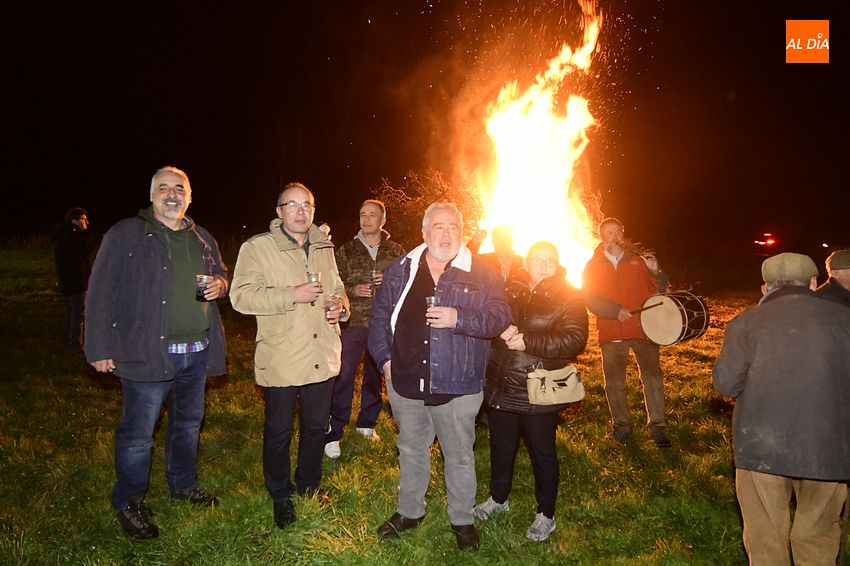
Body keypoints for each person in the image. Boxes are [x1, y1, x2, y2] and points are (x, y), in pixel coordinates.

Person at [85, 166, 228, 541]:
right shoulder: (126, 233)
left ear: (189, 196)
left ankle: (182, 484)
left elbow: (222, 274)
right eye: (163, 188)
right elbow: (99, 291)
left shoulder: (202, 238)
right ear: (151, 196)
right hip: (146, 352)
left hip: (196, 351)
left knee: (188, 424)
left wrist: (221, 283)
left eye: (179, 188)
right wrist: (99, 346)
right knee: (137, 435)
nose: (171, 194)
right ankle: (129, 501)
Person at [368, 202, 511, 551]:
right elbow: (379, 318)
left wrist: (458, 317)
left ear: (461, 233)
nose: (446, 235)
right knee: (411, 449)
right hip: (405, 381)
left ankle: (462, 518)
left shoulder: (482, 270)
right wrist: (385, 362)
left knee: (459, 453)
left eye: (453, 228)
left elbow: (501, 316)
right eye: (438, 227)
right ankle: (409, 511)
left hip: (457, 384)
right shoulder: (401, 268)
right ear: (424, 232)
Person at [713, 252, 850, 565]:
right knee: (817, 533)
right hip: (828, 447)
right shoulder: (845, 319)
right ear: (814, 282)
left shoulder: (745, 323)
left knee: (765, 537)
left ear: (766, 288)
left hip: (762, 448)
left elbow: (726, 384)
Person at [230, 182, 349, 530]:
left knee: (315, 427)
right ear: (279, 211)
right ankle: (280, 493)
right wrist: (291, 294)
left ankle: (309, 486)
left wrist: (339, 309)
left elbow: (338, 288)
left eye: (307, 205)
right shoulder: (258, 248)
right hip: (282, 354)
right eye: (292, 205)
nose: (300, 211)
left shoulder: (324, 246)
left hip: (321, 352)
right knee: (279, 430)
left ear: (313, 210)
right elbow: (241, 297)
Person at [474, 241, 588, 541]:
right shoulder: (509, 287)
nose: (543, 264)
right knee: (501, 446)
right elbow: (490, 316)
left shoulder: (570, 294)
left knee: (543, 452)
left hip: (539, 389)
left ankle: (545, 514)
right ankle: (499, 499)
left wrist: (529, 342)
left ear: (558, 262)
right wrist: (499, 328)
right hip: (501, 383)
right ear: (526, 262)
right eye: (537, 259)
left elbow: (575, 339)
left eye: (549, 260)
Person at [324, 200, 405, 459]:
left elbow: (408, 283)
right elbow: (332, 282)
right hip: (353, 322)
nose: (366, 219)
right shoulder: (347, 250)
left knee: (375, 374)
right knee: (344, 374)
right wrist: (352, 289)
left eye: (372, 215)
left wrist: (390, 281)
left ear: (383, 220)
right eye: (362, 215)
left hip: (383, 324)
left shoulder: (396, 251)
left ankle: (367, 425)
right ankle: (334, 430)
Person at [582, 217, 672, 448]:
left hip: (643, 328)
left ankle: (658, 426)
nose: (614, 236)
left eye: (617, 231)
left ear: (623, 233)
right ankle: (621, 426)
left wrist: (656, 271)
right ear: (602, 237)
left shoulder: (638, 260)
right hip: (612, 330)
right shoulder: (594, 265)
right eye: (608, 233)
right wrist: (613, 311)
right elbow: (589, 297)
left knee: (652, 378)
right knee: (614, 383)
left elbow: (660, 290)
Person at [51, 207, 97, 357]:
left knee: (73, 312)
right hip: (75, 281)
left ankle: (69, 342)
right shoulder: (69, 237)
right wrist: (96, 243)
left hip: (73, 281)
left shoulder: (68, 235)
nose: (87, 222)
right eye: (84, 219)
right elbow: (79, 257)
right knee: (77, 313)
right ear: (75, 221)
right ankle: (76, 347)